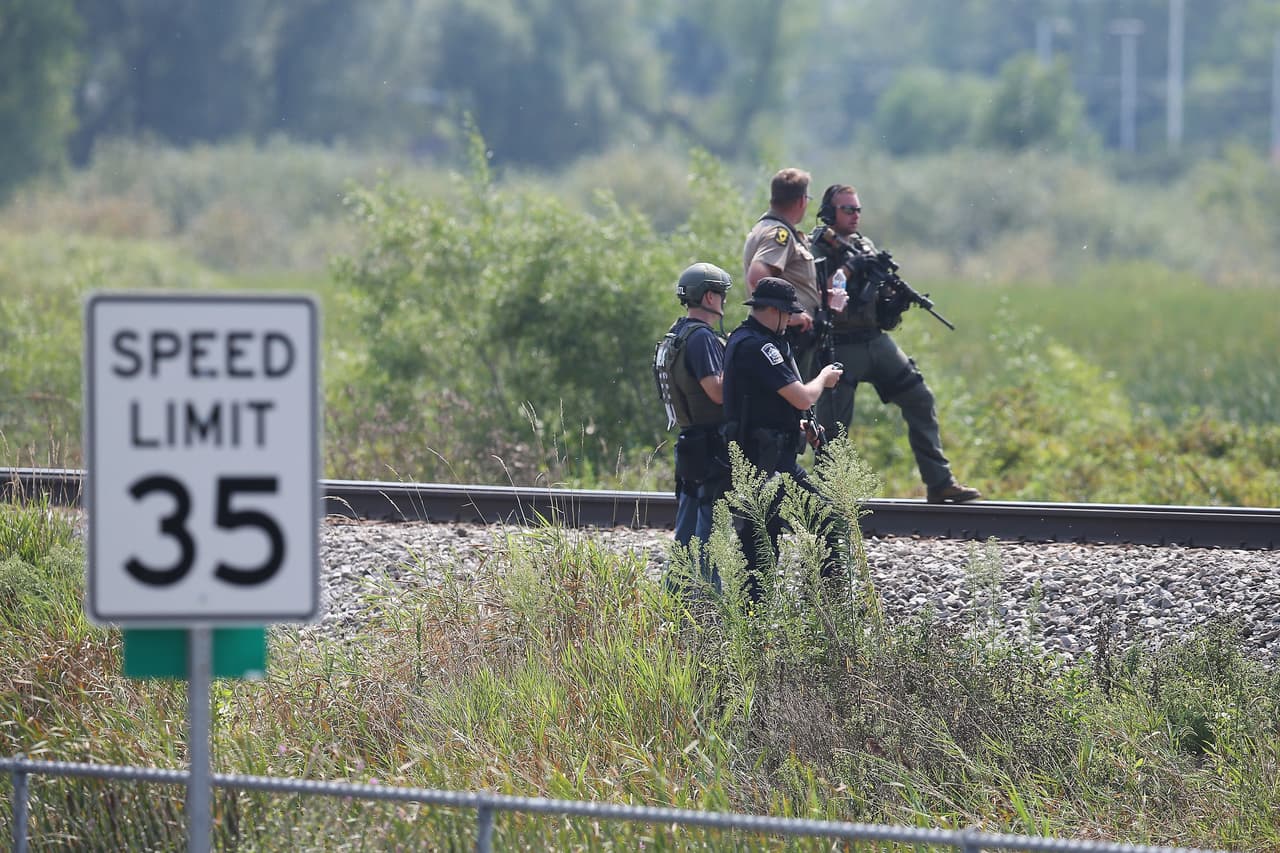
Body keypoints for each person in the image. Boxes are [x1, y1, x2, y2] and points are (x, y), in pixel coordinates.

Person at [809, 183, 980, 504]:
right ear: (830, 212)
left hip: (874, 339)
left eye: (858, 209)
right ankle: (829, 499)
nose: (855, 215)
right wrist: (850, 267)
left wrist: (892, 298)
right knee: (833, 428)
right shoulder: (816, 248)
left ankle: (940, 481)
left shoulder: (863, 245)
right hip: (838, 344)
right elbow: (823, 291)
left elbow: (875, 294)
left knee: (919, 397)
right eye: (848, 209)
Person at [721, 277, 846, 598]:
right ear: (775, 311)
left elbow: (763, 403)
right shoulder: (758, 346)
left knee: (765, 545)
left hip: (767, 459)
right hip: (765, 464)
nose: (790, 320)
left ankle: (763, 617)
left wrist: (798, 426)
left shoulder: (747, 339)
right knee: (811, 526)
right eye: (788, 313)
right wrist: (824, 378)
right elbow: (802, 396)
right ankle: (827, 603)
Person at [653, 262, 733, 567]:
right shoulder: (701, 337)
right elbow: (717, 392)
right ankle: (711, 593)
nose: (723, 301)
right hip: (711, 445)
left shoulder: (677, 333)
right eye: (721, 294)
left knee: (686, 535)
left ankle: (677, 592)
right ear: (710, 297)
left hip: (691, 442)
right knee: (710, 535)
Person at [742, 168, 848, 384]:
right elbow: (757, 277)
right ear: (801, 201)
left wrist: (820, 297)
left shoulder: (767, 229)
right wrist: (790, 316)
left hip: (789, 335)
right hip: (789, 335)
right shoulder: (779, 235)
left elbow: (787, 281)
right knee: (797, 399)